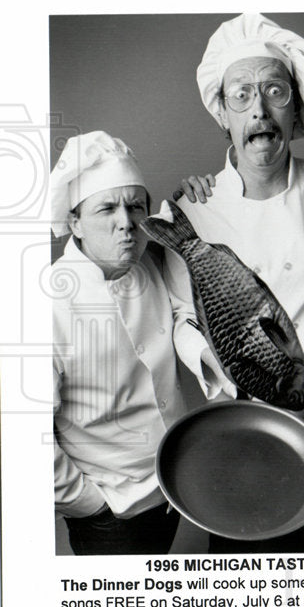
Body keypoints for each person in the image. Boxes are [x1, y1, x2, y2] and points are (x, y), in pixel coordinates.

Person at [50, 131, 221, 555]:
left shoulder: (149, 260)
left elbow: (189, 238)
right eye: (106, 208)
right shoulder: (47, 302)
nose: (125, 222)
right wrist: (88, 504)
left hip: (171, 488)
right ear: (74, 222)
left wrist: (196, 198)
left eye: (135, 206)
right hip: (112, 512)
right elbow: (21, 433)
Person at [165, 12, 304, 417]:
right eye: (241, 95)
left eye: (275, 91)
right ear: (223, 114)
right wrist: (231, 370)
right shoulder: (191, 213)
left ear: (295, 108)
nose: (259, 109)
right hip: (245, 417)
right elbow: (183, 317)